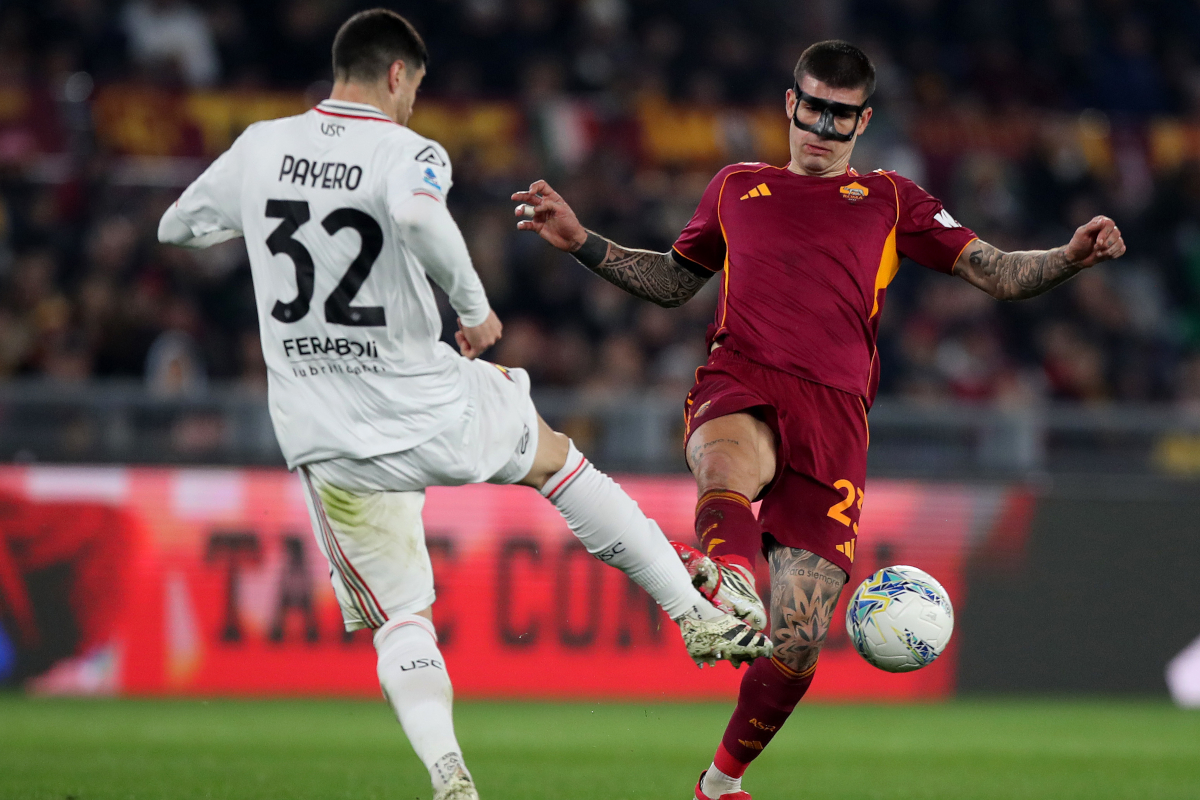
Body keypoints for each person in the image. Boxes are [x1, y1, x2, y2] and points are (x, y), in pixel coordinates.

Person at [156, 9, 771, 800]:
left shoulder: (260, 146)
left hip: (328, 432)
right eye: (416, 87)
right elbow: (415, 214)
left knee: (401, 616)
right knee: (556, 460)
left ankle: (449, 776)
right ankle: (690, 609)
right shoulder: (405, 149)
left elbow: (179, 226)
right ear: (396, 75)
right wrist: (474, 309)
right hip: (426, 398)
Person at [513, 39, 1127, 800]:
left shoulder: (894, 200)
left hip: (836, 418)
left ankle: (718, 785)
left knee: (797, 644)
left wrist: (1068, 256)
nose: (822, 128)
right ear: (789, 104)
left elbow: (995, 271)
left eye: (841, 117)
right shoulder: (737, 187)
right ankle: (730, 579)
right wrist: (584, 245)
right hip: (743, 374)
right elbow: (675, 281)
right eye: (812, 109)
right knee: (728, 460)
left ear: (862, 121)